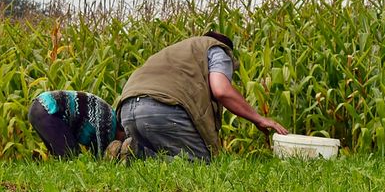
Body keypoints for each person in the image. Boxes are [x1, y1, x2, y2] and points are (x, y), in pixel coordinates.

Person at [115, 30, 288, 162]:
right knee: (200, 165)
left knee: (158, 162)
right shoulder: (217, 49)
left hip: (127, 110)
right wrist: (258, 118)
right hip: (163, 110)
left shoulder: (177, 51)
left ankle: (129, 153)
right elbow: (221, 90)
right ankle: (139, 155)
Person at [28, 90, 126, 159]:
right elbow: (101, 158)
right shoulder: (109, 123)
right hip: (48, 109)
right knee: (71, 157)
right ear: (121, 129)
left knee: (61, 157)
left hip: (37, 108)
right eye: (123, 138)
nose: (120, 142)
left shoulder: (108, 116)